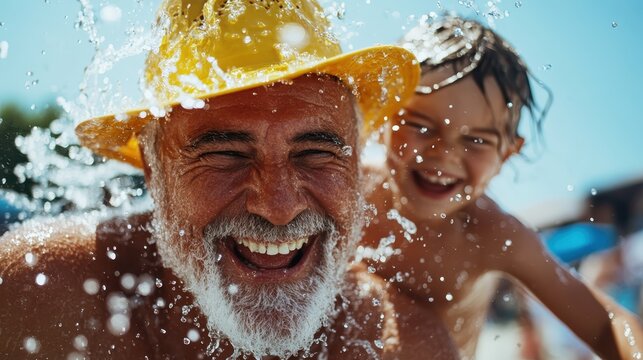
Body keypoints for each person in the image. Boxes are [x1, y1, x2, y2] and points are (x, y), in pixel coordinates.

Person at [0, 1, 459, 359]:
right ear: (154, 168)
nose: (278, 206)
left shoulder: (407, 348)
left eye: (315, 153)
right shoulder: (36, 293)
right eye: (225, 155)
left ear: (358, 162)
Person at [362, 14, 643, 359]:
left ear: (508, 153)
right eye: (421, 126)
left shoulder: (493, 235)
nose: (445, 155)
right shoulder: (351, 189)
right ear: (382, 121)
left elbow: (603, 324)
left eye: (477, 140)